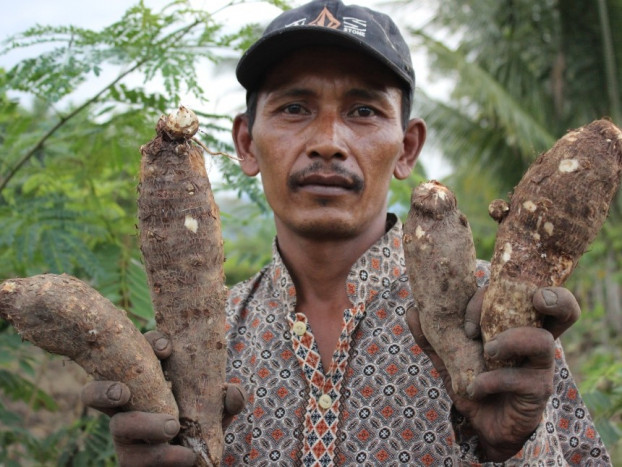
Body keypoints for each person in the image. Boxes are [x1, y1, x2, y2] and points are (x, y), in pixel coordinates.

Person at [82, 0, 611, 465]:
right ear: (245, 143)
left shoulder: (492, 320)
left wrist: (515, 449)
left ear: (406, 148)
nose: (329, 142)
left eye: (363, 110)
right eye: (294, 108)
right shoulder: (202, 341)